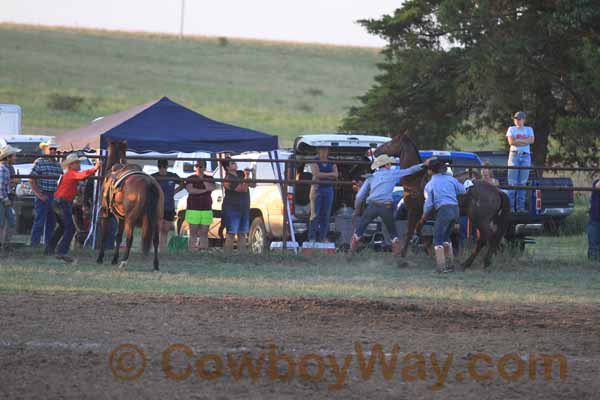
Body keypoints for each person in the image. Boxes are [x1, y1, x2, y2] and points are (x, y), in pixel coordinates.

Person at [350, 154, 432, 256]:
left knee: (360, 229)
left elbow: (359, 196)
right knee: (392, 231)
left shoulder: (370, 177)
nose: (391, 165)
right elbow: (410, 170)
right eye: (389, 163)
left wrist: (356, 209)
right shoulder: (393, 174)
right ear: (387, 165)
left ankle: (350, 253)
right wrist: (424, 164)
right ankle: (397, 256)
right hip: (386, 206)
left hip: (372, 206)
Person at [45, 153, 101, 263]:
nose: (79, 164)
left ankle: (50, 249)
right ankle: (61, 251)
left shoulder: (68, 174)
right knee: (70, 227)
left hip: (58, 202)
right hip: (62, 202)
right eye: (77, 163)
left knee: (62, 226)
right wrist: (96, 168)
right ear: (71, 165)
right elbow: (82, 175)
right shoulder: (72, 174)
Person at [420, 158, 466, 273]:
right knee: (446, 237)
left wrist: (424, 215)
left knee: (437, 238)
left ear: (430, 171)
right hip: (455, 210)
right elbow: (463, 190)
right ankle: (451, 265)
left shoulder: (430, 184)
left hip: (443, 210)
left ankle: (441, 267)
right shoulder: (451, 179)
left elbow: (429, 204)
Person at [30, 138, 63, 247]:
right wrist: (39, 194)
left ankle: (48, 245)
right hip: (44, 193)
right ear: (46, 149)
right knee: (39, 221)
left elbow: (61, 181)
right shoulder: (39, 162)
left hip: (54, 195)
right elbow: (32, 179)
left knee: (52, 222)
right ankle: (34, 244)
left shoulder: (58, 164)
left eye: (54, 149)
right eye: (51, 149)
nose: (53, 151)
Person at [222, 158, 255, 254]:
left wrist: (253, 173)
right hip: (232, 208)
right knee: (231, 233)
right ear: (227, 167)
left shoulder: (240, 173)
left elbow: (253, 184)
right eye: (232, 163)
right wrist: (246, 176)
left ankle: (242, 256)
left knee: (242, 233)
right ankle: (227, 256)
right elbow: (242, 189)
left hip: (244, 207)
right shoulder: (228, 179)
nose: (235, 164)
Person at [151, 159, 184, 250]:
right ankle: (155, 249)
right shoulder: (153, 177)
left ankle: (162, 249)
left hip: (169, 206)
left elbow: (182, 183)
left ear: (166, 167)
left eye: (164, 167)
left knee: (165, 229)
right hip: (157, 206)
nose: (162, 170)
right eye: (161, 167)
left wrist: (174, 191)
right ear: (158, 167)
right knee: (157, 228)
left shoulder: (172, 176)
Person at [506, 111, 534, 213]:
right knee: (512, 183)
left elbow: (531, 140)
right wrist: (524, 141)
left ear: (524, 120)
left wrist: (518, 142)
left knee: (522, 183)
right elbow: (511, 142)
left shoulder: (529, 129)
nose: (517, 121)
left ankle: (520, 208)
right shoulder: (511, 129)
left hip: (525, 156)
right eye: (516, 119)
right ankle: (511, 208)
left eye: (519, 119)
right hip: (514, 155)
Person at [184, 160, 215, 252]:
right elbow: (191, 190)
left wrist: (202, 179)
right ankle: (192, 251)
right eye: (197, 165)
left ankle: (203, 251)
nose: (198, 168)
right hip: (193, 208)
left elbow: (212, 187)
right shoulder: (190, 177)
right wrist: (205, 191)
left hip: (206, 208)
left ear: (205, 167)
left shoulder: (209, 178)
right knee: (193, 232)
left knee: (204, 233)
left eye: (200, 166)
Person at [309, 147, 338, 242]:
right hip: (317, 189)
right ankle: (312, 237)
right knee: (315, 214)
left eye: (326, 150)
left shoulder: (331, 161)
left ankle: (322, 237)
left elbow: (336, 175)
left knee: (326, 214)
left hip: (328, 189)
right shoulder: (314, 161)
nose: (324, 152)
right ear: (318, 151)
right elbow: (316, 174)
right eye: (322, 150)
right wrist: (330, 174)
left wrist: (324, 174)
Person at [0, 145, 21, 248]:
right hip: (4, 198)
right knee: (5, 222)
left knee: (7, 221)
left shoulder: (6, 168)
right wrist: (5, 199)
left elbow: (4, 184)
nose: (15, 158)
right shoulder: (3, 169)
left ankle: (4, 244)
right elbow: (1, 186)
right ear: (8, 157)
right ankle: (3, 244)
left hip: (5, 196)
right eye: (14, 156)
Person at [587, 178, 600, 261]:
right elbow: (597, 186)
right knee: (593, 240)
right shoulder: (597, 183)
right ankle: (593, 255)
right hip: (595, 217)